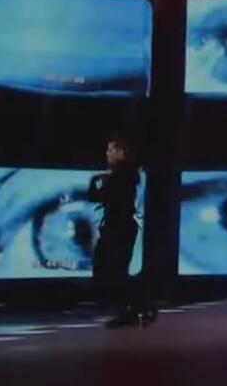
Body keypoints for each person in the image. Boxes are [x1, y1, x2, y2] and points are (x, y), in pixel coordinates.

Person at [88, 137, 148, 328]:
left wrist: (95, 181)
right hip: (118, 228)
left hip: (118, 229)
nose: (107, 154)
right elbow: (99, 197)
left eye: (111, 150)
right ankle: (134, 308)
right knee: (113, 271)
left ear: (122, 153)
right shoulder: (122, 175)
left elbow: (99, 196)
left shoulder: (122, 175)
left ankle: (132, 309)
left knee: (114, 271)